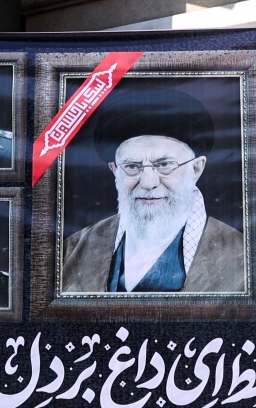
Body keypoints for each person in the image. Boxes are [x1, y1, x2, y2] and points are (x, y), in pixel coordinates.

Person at [62, 87, 244, 293]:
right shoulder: (73, 251)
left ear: (196, 169)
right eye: (132, 167)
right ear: (115, 171)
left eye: (164, 165)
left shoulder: (244, 256)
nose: (148, 182)